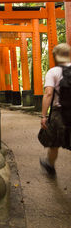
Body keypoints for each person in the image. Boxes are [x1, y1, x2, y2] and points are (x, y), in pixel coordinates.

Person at [40, 43, 71, 176]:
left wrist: (43, 116)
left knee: (54, 144)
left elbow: (48, 94)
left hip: (59, 114)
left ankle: (50, 166)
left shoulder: (53, 72)